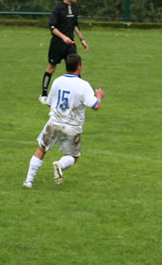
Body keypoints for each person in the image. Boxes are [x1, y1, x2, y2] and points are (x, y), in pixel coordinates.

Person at [24, 53, 104, 188]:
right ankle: (60, 165)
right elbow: (95, 106)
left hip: (54, 122)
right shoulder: (83, 85)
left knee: (41, 149)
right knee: (73, 156)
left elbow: (49, 102)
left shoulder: (57, 81)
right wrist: (99, 96)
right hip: (72, 126)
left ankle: (28, 181)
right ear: (79, 67)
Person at [39, 0, 89, 104]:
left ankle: (80, 96)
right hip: (57, 44)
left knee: (75, 68)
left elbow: (75, 25)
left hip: (70, 44)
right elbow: (52, 27)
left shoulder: (75, 8)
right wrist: (63, 37)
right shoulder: (58, 9)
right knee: (52, 67)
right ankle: (44, 94)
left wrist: (82, 39)